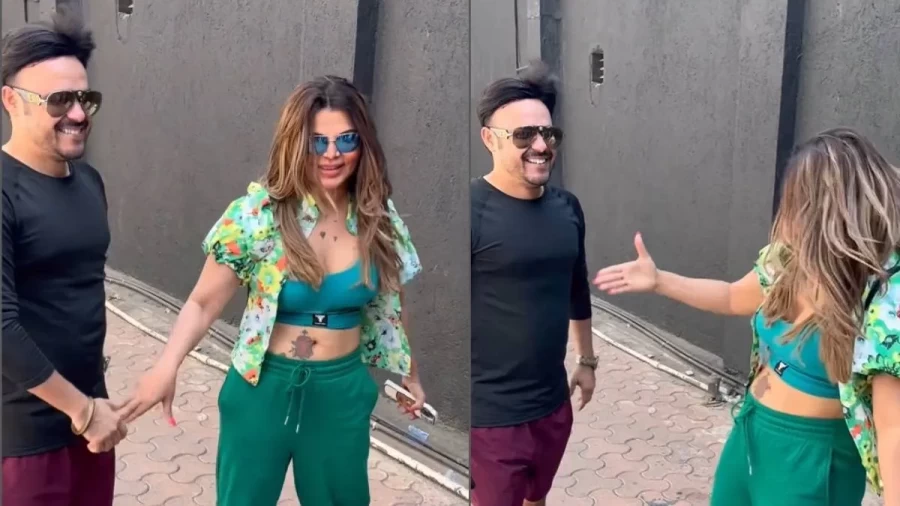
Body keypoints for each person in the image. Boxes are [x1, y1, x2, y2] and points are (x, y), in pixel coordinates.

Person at [119, 76, 428, 506]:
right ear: (295, 144)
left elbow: (394, 305)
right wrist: (166, 366)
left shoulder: (380, 219)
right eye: (317, 142)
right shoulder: (258, 215)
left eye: (346, 140)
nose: (332, 154)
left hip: (341, 394)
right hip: (262, 389)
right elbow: (203, 302)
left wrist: (411, 375)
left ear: (364, 144)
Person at [594, 128, 900, 505]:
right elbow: (732, 297)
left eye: (798, 204)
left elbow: (893, 430)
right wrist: (660, 281)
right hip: (750, 433)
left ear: (832, 210)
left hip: (812, 460)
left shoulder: (884, 297)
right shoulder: (789, 260)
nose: (787, 217)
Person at [1, 10, 127, 506]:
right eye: (59, 100)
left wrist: (93, 409)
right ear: (11, 100)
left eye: (85, 98)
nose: (78, 114)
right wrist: (83, 410)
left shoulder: (89, 182)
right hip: (23, 441)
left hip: (90, 429)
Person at [469, 61, 596, 506]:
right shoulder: (469, 212)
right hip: (490, 421)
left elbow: (576, 287)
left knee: (536, 499)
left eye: (548, 134)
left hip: (552, 405)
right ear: (490, 138)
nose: (540, 146)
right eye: (523, 135)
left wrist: (587, 360)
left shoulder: (568, 208)